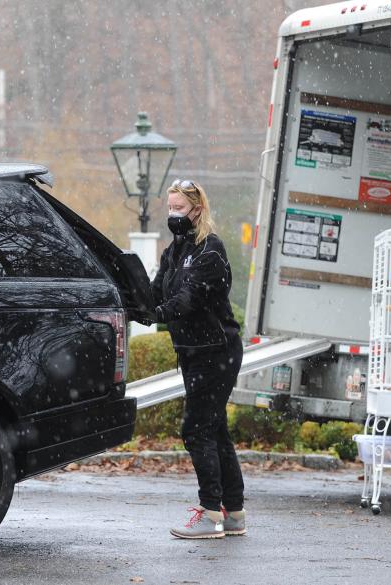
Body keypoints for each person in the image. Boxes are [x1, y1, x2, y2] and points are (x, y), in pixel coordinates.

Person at [151, 178, 246, 539]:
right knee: (215, 430)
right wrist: (132, 304)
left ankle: (211, 515)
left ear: (197, 209)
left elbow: (187, 300)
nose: (173, 214)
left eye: (180, 208)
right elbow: (155, 290)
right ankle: (233, 514)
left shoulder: (210, 250)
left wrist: (156, 313)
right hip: (193, 353)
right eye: (170, 208)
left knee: (196, 430)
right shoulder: (174, 251)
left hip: (216, 353)